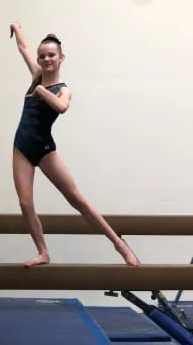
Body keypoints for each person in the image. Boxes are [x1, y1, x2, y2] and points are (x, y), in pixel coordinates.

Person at [10, 22, 139, 266]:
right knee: (25, 202)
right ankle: (43, 252)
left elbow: (62, 107)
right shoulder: (37, 77)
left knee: (76, 199)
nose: (46, 59)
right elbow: (23, 48)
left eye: (51, 55)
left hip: (45, 149)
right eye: (42, 56)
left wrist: (41, 91)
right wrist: (17, 28)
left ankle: (119, 244)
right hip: (22, 147)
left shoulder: (62, 89)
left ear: (61, 58)